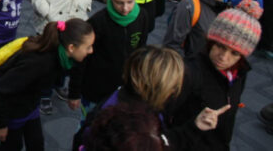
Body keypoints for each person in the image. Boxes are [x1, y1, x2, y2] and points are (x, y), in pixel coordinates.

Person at [75, 46, 229, 151]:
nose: (176, 89)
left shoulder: (127, 101)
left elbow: (160, 141)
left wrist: (195, 127)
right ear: (157, 85)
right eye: (173, 84)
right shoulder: (132, 128)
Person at [0, 19, 94, 150]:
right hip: (11, 109)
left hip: (29, 104)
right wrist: (0, 125)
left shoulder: (63, 55)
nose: (91, 51)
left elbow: (77, 69)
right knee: (12, 146)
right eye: (88, 47)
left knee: (36, 143)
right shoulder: (40, 63)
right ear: (71, 48)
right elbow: (2, 90)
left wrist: (74, 93)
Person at [170, 5, 262, 150]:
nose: (224, 57)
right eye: (220, 46)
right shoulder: (189, 71)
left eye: (235, 53)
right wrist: (194, 126)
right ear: (211, 42)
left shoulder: (240, 73)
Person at [68, 0, 149, 111]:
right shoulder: (98, 22)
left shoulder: (142, 16)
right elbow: (82, 59)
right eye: (119, 3)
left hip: (126, 89)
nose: (125, 8)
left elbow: (141, 51)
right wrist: (74, 93)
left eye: (130, 2)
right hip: (97, 88)